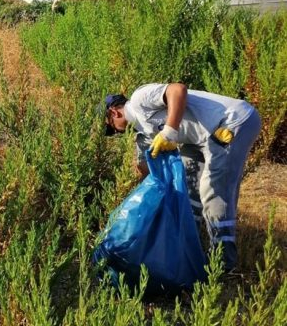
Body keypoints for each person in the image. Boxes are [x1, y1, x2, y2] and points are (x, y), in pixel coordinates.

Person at [105, 83, 261, 272]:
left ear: (114, 113)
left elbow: (177, 90)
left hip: (231, 121)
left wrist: (169, 132)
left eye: (111, 129)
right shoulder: (142, 133)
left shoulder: (139, 99)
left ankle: (223, 263)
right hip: (198, 140)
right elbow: (145, 167)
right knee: (186, 191)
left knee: (212, 191)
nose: (116, 134)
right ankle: (189, 250)